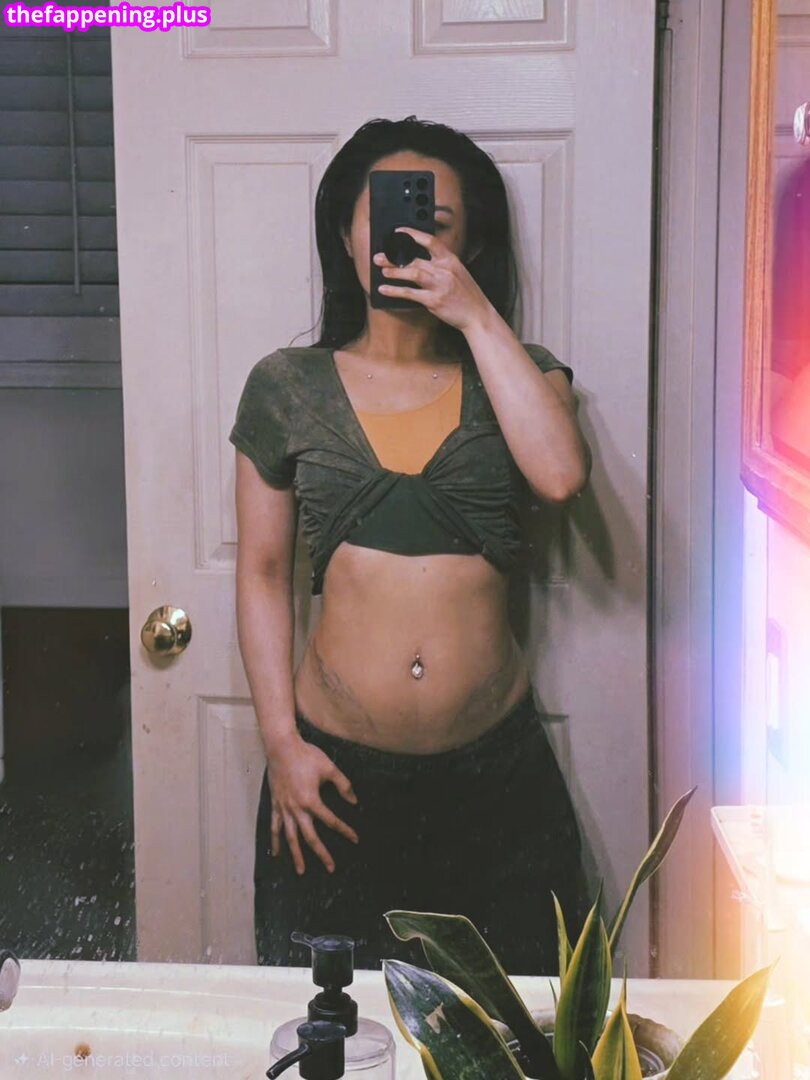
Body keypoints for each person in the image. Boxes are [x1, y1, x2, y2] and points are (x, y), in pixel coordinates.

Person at [230, 116, 593, 974]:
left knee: (520, 1024)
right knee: (332, 1021)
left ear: (471, 244)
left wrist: (475, 316)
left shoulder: (521, 371)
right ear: (346, 234)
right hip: (334, 782)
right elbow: (263, 572)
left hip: (497, 781)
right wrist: (281, 743)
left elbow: (559, 475)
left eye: (439, 222)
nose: (410, 237)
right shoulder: (287, 387)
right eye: (387, 216)